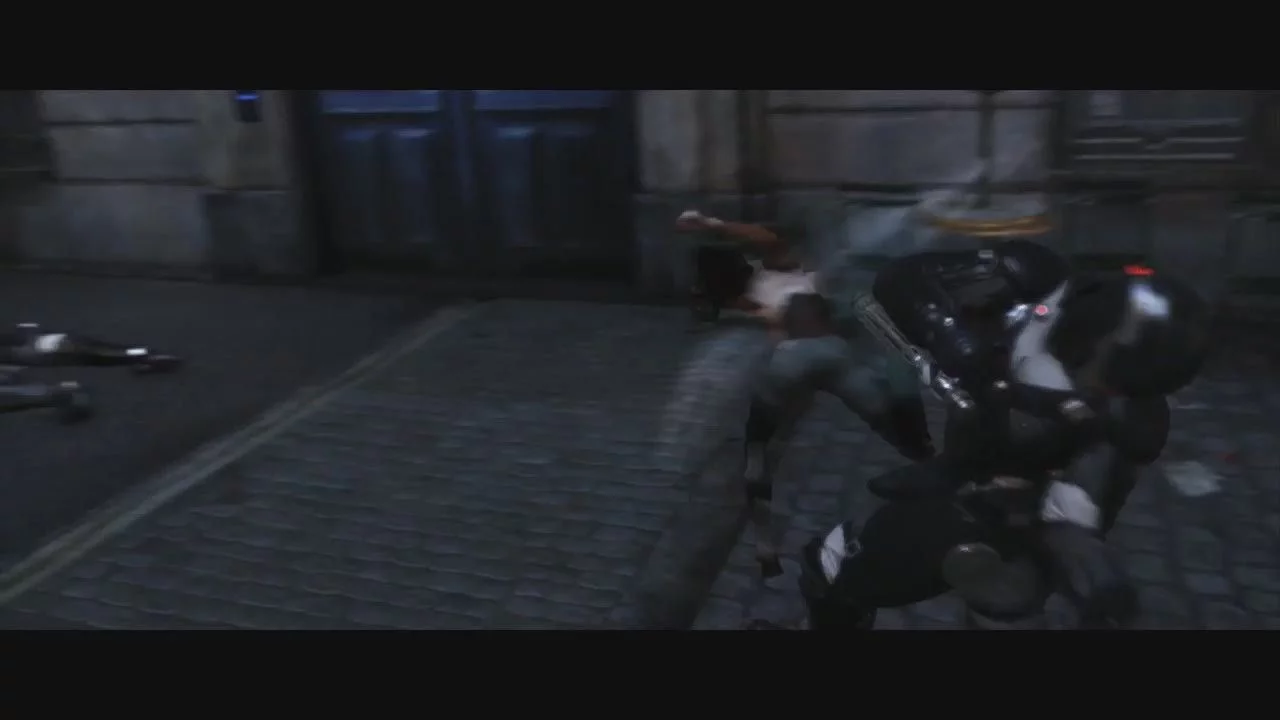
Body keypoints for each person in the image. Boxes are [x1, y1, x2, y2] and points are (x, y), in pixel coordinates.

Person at [748, 240, 1210, 630]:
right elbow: (901, 282)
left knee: (1002, 599)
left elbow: (1075, 519)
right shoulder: (1034, 275)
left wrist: (1093, 576)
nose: (1094, 381)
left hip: (1001, 510)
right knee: (830, 569)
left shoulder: (1128, 423)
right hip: (960, 463)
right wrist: (955, 342)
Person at [675, 210, 935, 577]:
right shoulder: (784, 269)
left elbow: (734, 304)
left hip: (791, 360)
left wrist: (710, 238)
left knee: (758, 451)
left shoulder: (742, 296)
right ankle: (930, 459)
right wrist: (712, 224)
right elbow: (764, 238)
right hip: (832, 356)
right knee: (898, 429)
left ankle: (765, 548)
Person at [0, 322, 182, 422]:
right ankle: (144, 355)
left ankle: (145, 356)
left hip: (36, 346)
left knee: (90, 351)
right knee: (93, 350)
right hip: (38, 344)